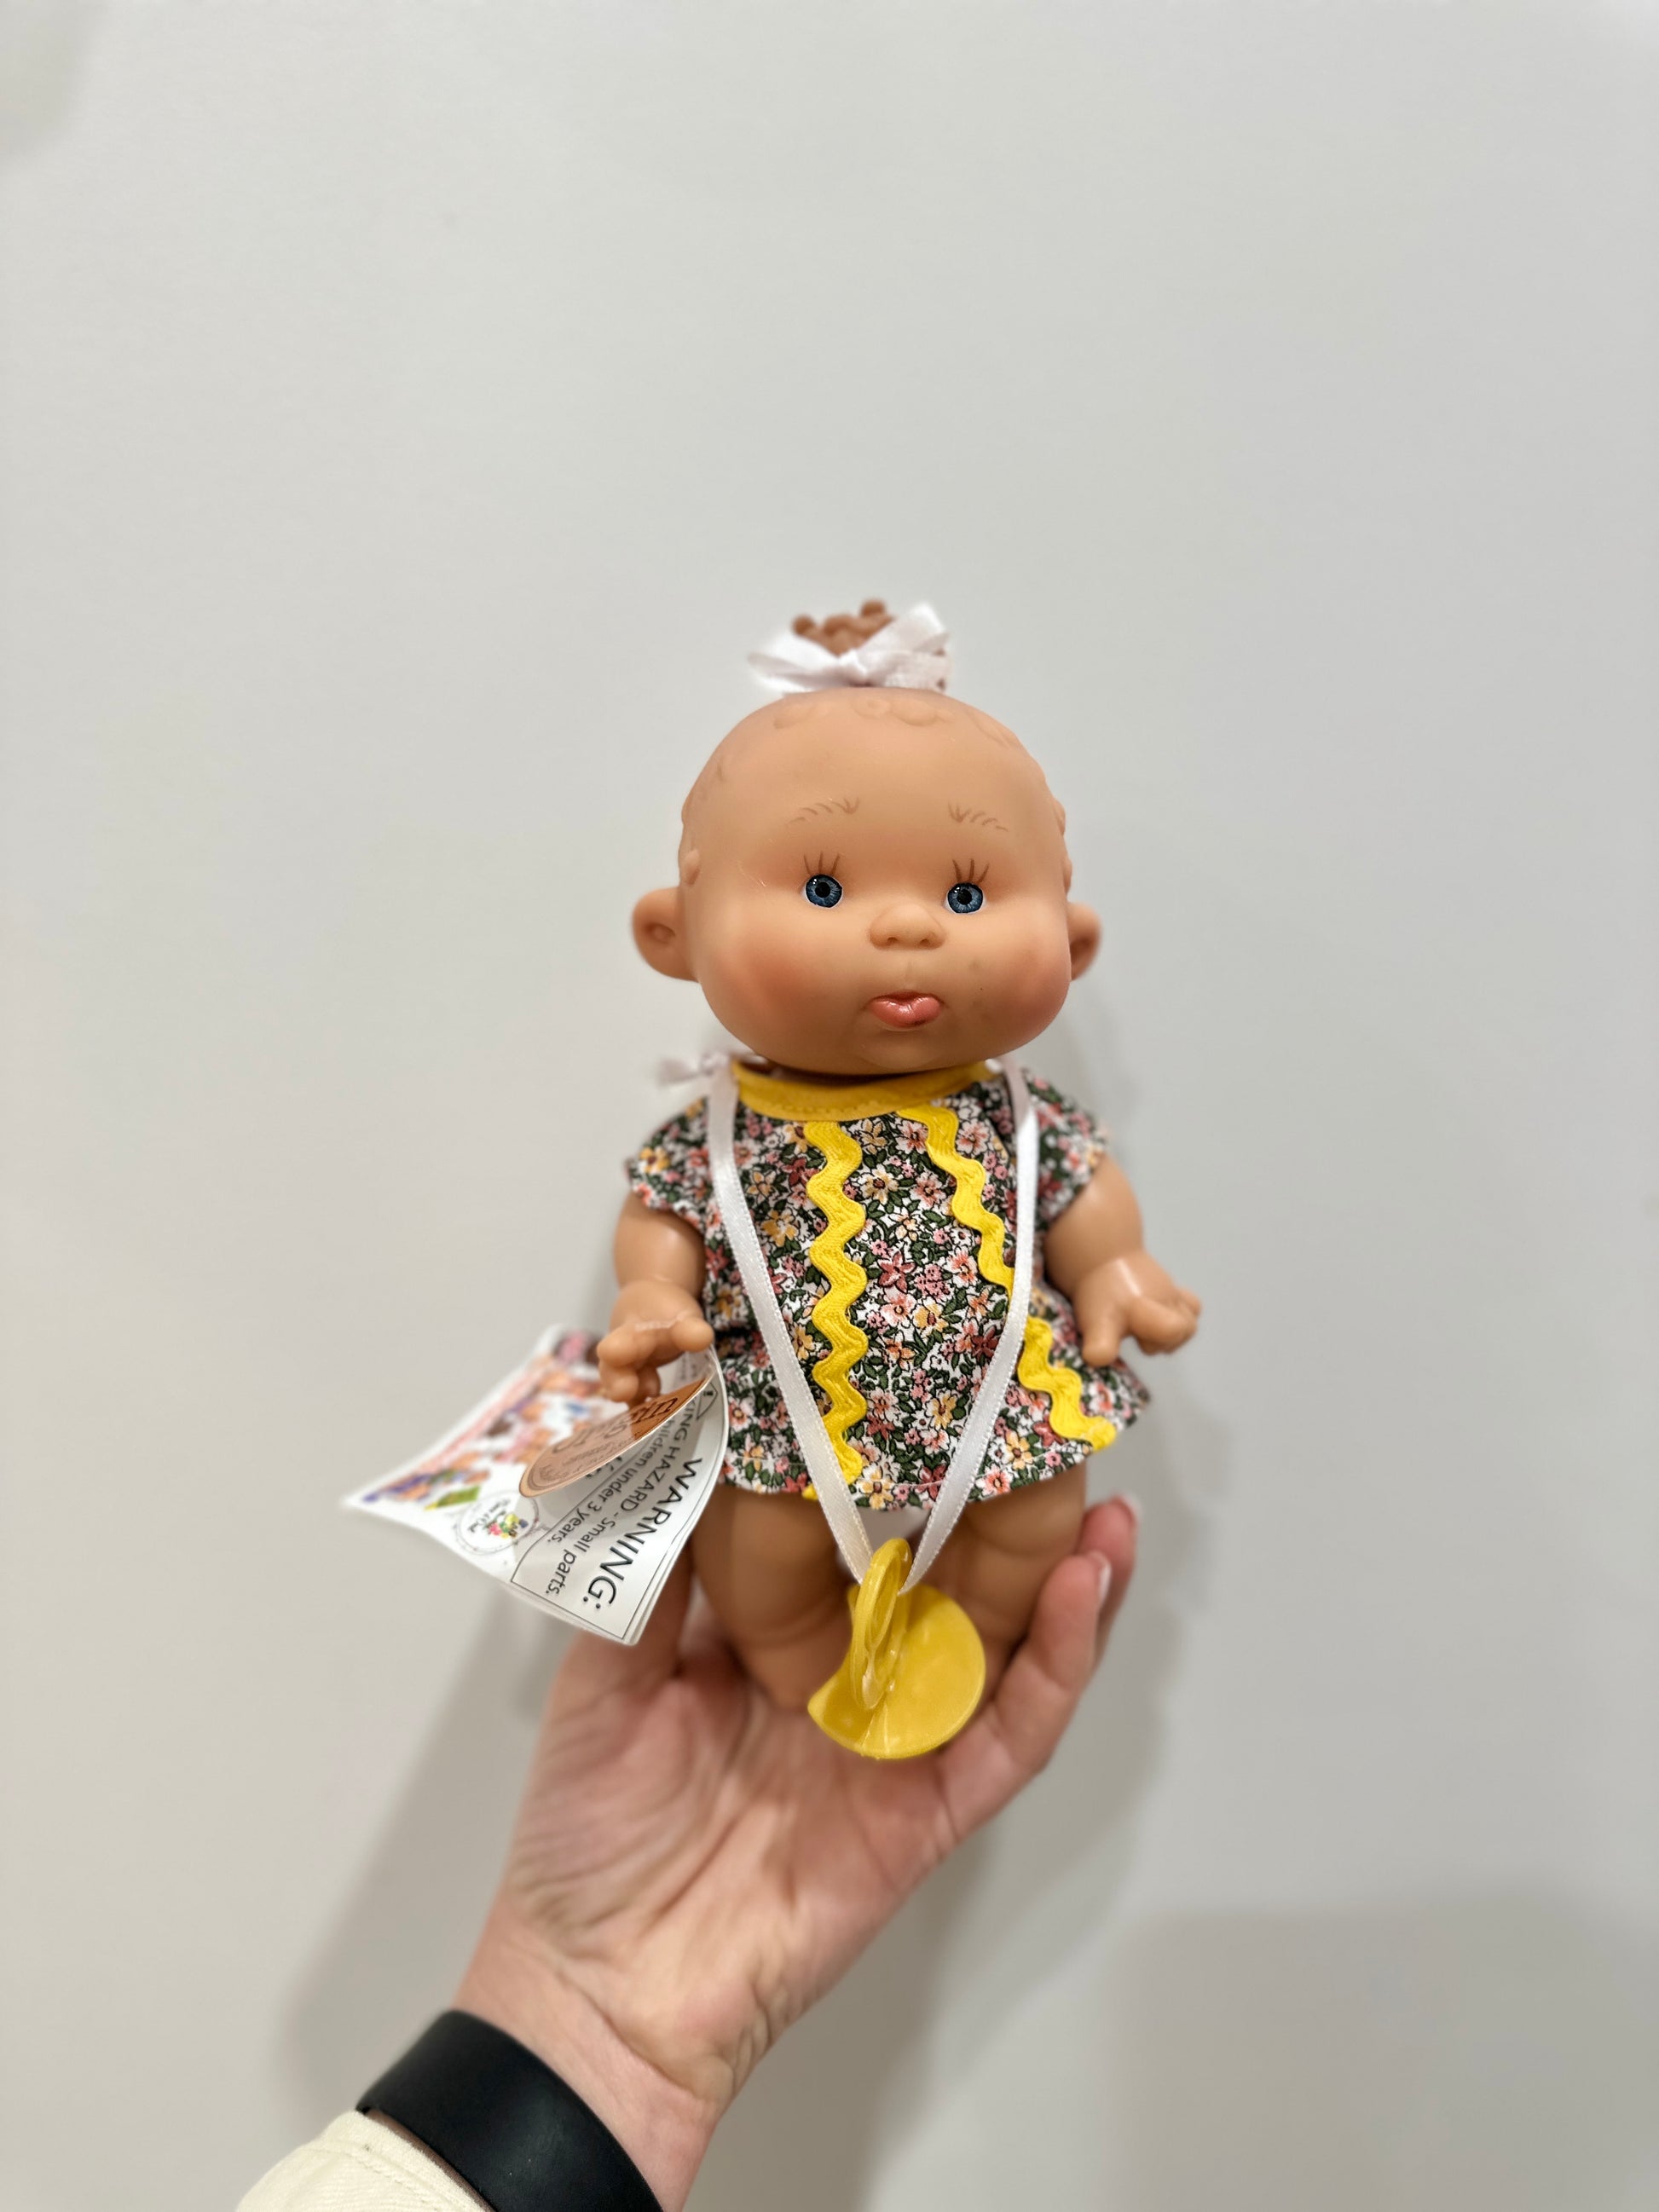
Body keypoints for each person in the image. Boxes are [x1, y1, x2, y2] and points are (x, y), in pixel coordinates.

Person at [240, 1489, 1140, 2210]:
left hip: (985, 1386)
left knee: (1027, 1519)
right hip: (794, 1407)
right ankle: (800, 1639)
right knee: (762, 1542)